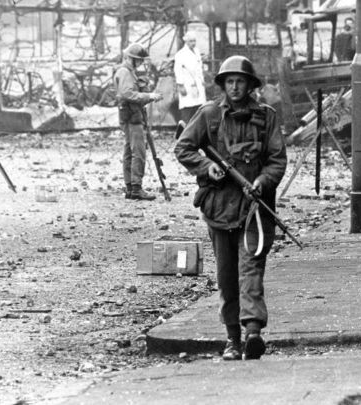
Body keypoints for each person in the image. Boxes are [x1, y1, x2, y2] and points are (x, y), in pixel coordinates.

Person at [175, 56, 287, 361]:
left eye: (240, 81)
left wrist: (263, 182)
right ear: (223, 84)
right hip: (220, 207)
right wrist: (207, 166)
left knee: (251, 269)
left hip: (254, 209)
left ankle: (253, 331)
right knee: (226, 276)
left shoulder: (267, 117)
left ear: (250, 85)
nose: (235, 87)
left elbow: (277, 159)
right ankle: (232, 339)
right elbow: (183, 147)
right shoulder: (209, 115)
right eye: (230, 81)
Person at [113, 43, 163, 201]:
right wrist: (149, 96)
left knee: (129, 152)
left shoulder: (128, 72)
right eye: (138, 61)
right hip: (132, 117)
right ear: (130, 59)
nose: (140, 64)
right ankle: (136, 188)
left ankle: (130, 187)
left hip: (131, 115)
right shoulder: (125, 72)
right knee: (139, 153)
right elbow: (127, 93)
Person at [174, 31, 206, 123]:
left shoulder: (197, 51)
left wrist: (202, 79)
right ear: (186, 42)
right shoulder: (180, 54)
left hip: (198, 83)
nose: (193, 43)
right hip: (187, 83)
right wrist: (180, 86)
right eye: (191, 41)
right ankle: (186, 130)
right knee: (187, 106)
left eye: (194, 41)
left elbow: (199, 67)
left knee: (199, 106)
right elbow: (178, 70)